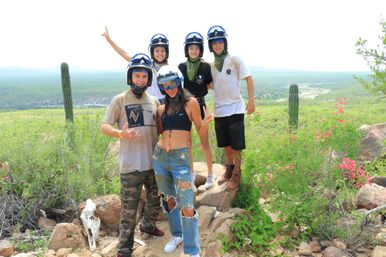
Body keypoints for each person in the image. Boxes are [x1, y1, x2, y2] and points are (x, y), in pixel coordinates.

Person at [100, 53, 164, 257]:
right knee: (129, 209)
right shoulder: (120, 100)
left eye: (144, 76)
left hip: (153, 163)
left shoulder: (154, 100)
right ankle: (124, 249)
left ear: (148, 79)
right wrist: (120, 133)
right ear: (130, 77)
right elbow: (104, 126)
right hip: (130, 166)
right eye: (137, 76)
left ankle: (147, 226)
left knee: (155, 200)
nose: (140, 80)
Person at [152, 65, 213, 257]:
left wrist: (206, 122)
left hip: (180, 159)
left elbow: (199, 132)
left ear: (179, 82)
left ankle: (192, 250)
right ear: (161, 88)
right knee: (168, 200)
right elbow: (159, 134)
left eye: (173, 84)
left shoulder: (192, 103)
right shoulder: (160, 109)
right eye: (165, 86)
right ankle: (176, 235)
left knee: (187, 206)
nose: (169, 89)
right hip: (161, 159)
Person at [207, 25, 255, 191]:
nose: (218, 45)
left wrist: (251, 101)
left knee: (237, 144)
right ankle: (229, 168)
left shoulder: (234, 59)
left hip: (235, 108)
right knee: (226, 143)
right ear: (210, 45)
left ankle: (237, 173)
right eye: (214, 43)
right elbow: (213, 84)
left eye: (220, 42)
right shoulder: (212, 65)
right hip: (220, 109)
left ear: (225, 43)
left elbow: (248, 78)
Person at [178, 32, 215, 189]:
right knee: (188, 143)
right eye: (191, 48)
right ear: (187, 49)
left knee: (204, 142)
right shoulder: (181, 67)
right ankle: (192, 173)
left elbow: (210, 84)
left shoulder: (205, 66)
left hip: (200, 104)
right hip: (185, 105)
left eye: (197, 48)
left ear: (201, 50)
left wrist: (232, 90)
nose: (194, 51)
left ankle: (211, 174)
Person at [102, 26, 168, 103]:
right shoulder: (147, 65)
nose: (160, 53)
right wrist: (110, 40)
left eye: (162, 51)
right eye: (157, 51)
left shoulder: (169, 69)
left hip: (165, 101)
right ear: (152, 52)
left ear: (166, 52)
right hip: (148, 101)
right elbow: (125, 54)